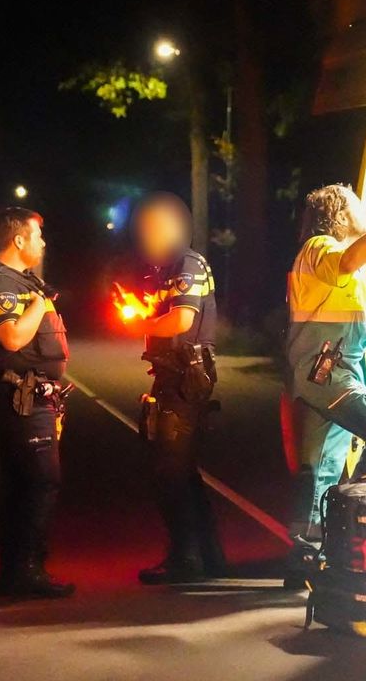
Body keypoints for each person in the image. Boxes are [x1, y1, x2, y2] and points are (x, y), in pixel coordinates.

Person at [284, 184, 366, 572]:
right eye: (360, 206)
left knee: (321, 465)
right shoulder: (320, 247)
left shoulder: (325, 256)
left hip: (322, 374)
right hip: (326, 375)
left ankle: (305, 553)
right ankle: (354, 524)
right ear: (340, 214)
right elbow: (347, 262)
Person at [0, 207, 75, 599]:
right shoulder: (0, 283)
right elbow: (12, 338)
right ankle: (25, 570)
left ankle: (17, 570)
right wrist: (39, 302)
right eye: (36, 235)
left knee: (23, 483)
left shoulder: (21, 280)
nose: (42, 242)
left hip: (32, 395)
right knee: (39, 481)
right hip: (19, 397)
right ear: (18, 240)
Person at [126, 192, 226, 585]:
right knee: (182, 472)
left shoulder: (187, 263)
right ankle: (207, 555)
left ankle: (186, 559)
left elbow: (181, 320)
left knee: (171, 472)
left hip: (186, 378)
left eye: (151, 227)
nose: (145, 235)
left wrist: (140, 327)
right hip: (173, 376)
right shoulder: (166, 268)